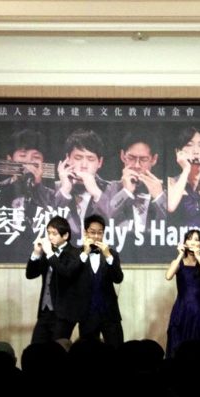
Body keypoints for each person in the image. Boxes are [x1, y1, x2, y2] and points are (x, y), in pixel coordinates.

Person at [54, 214, 124, 346]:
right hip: (86, 314)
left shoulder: (111, 254)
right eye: (92, 232)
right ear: (85, 232)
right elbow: (69, 274)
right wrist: (85, 253)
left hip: (110, 314)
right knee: (89, 352)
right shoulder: (75, 254)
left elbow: (118, 278)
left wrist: (108, 256)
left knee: (117, 350)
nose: (96, 236)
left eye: (100, 233)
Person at [25, 215, 80, 344]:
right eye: (48, 233)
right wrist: (36, 253)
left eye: (54, 234)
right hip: (45, 311)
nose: (50, 237)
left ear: (65, 235)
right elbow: (31, 274)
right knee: (36, 347)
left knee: (58, 350)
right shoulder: (47, 252)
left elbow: (65, 273)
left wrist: (50, 253)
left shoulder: (74, 253)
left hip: (63, 314)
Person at [52, 129, 115, 241]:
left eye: (91, 159)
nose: (84, 165)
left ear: (100, 162)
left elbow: (117, 224)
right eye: (78, 158)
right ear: (68, 159)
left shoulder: (111, 189)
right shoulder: (55, 189)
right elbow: (47, 224)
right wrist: (65, 190)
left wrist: (97, 194)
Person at [104, 133, 166, 242]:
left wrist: (159, 197)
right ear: (123, 156)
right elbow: (102, 219)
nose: (137, 165)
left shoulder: (163, 192)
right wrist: (125, 192)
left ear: (154, 159)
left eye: (144, 159)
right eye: (131, 158)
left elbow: (175, 223)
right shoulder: (110, 188)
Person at [165, 229, 200, 357]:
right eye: (189, 239)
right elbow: (168, 276)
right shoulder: (178, 263)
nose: (192, 242)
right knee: (178, 349)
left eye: (196, 240)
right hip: (181, 311)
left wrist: (198, 257)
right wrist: (179, 255)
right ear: (185, 242)